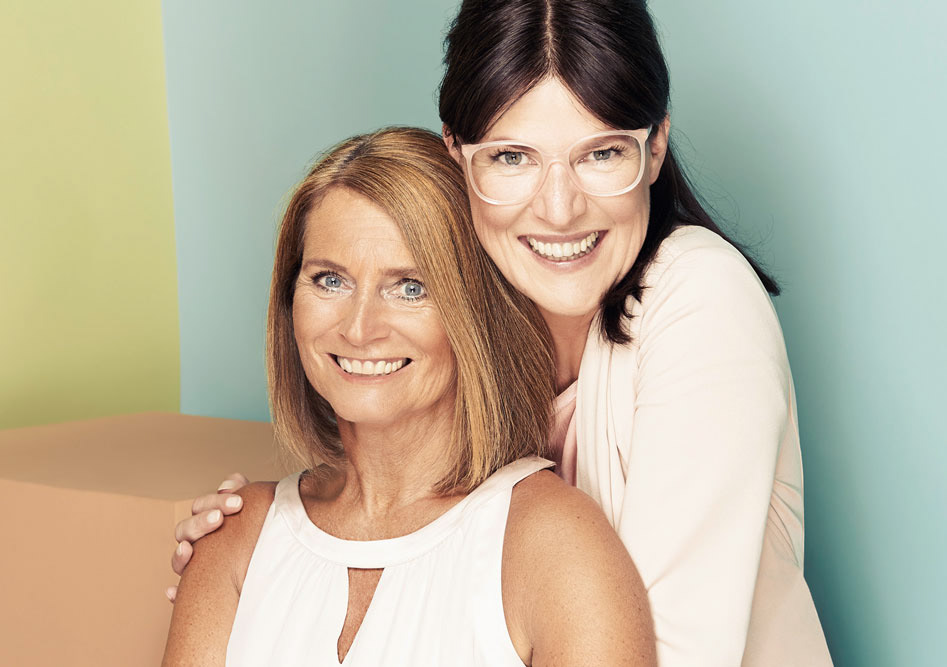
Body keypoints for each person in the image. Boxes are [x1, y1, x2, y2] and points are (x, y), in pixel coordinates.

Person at [170, 1, 832, 664]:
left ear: (655, 146)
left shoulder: (700, 295)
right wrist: (266, 565)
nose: (559, 209)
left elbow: (674, 652)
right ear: (458, 155)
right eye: (513, 157)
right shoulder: (484, 312)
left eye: (601, 153)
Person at [162, 127, 656, 665]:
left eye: (411, 288)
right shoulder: (235, 538)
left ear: (479, 312)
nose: (359, 328)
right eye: (330, 280)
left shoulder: (556, 546)